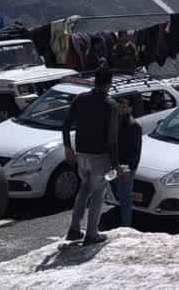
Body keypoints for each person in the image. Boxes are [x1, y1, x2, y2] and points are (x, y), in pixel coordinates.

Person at [61, 69, 119, 245]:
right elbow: (112, 139)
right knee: (98, 193)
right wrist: (115, 164)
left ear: (94, 82)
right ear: (109, 84)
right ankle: (92, 234)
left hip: (82, 154)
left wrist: (68, 147)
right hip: (100, 156)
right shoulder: (110, 105)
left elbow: (65, 125)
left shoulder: (80, 99)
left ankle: (74, 228)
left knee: (84, 189)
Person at [113, 98, 143, 230]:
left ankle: (125, 227)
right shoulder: (115, 122)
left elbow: (135, 151)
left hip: (125, 167)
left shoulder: (133, 126)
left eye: (124, 107)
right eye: (119, 107)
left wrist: (129, 169)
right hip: (115, 165)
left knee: (125, 198)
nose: (121, 109)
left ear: (129, 108)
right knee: (119, 195)